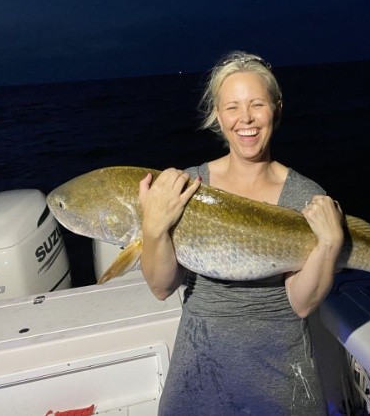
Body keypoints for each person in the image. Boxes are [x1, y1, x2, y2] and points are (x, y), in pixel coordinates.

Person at [138, 50, 345, 415]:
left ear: (276, 110)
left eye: (256, 105)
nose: (245, 119)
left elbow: (303, 303)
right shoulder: (188, 186)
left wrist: (329, 244)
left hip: (280, 372)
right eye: (232, 107)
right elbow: (161, 286)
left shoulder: (305, 195)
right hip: (198, 368)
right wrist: (154, 227)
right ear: (218, 115)